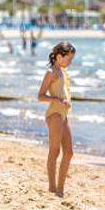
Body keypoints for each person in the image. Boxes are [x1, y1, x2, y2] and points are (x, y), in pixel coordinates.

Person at [37, 42, 76, 197]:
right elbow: (40, 96)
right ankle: (53, 188)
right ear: (59, 56)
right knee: (55, 151)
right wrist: (58, 100)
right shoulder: (51, 72)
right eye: (69, 59)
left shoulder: (62, 71)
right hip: (54, 114)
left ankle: (60, 188)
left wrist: (65, 101)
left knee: (69, 152)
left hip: (64, 115)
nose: (70, 62)